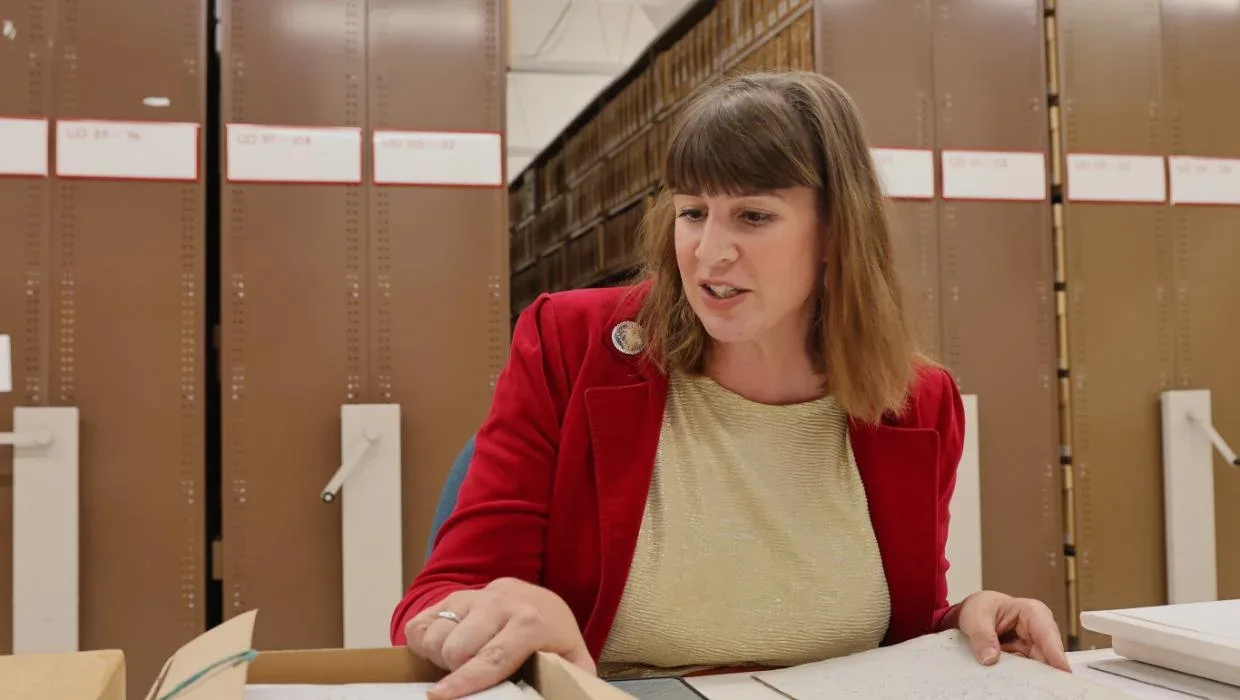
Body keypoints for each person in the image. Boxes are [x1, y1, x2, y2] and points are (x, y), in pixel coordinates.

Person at [390, 70, 1069, 699]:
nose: (709, 252)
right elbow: (439, 598)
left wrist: (965, 624)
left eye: (753, 216)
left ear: (835, 231)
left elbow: (896, 627)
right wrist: (479, 617)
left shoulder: (918, 402)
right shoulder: (568, 347)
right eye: (693, 212)